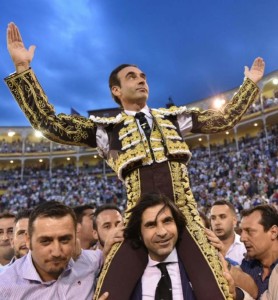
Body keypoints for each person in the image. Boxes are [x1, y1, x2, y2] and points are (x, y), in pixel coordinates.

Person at [5, 22, 265, 300]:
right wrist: (24, 72)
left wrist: (249, 86)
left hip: (186, 218)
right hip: (136, 221)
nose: (141, 80)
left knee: (216, 293)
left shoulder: (173, 119)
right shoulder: (107, 130)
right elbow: (51, 124)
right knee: (108, 294)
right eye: (132, 77)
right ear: (116, 90)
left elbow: (223, 119)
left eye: (143, 76)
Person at [125, 193, 243, 300]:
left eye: (167, 221)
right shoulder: (128, 279)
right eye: (151, 225)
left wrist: (234, 294)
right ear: (139, 233)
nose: (162, 232)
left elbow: (253, 292)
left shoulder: (201, 268)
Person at [0, 201, 123, 300]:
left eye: (65, 240)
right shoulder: (5, 287)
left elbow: (107, 257)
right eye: (45, 241)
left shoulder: (90, 262)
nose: (57, 252)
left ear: (75, 238)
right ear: (28, 240)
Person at [231, 205, 278, 299]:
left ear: (273, 232)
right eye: (241, 231)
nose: (242, 238)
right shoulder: (247, 265)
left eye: (249, 231)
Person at [208, 200, 246, 265]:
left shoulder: (245, 247)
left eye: (222, 217)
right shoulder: (204, 247)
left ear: (234, 220)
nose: (217, 222)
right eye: (213, 218)